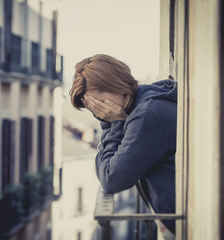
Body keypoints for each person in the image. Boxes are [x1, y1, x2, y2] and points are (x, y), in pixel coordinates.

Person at [69, 54, 177, 236]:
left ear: (116, 85)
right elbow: (105, 170)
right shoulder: (142, 105)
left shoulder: (147, 114)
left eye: (101, 103)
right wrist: (110, 122)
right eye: (94, 110)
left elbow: (111, 180)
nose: (100, 112)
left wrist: (114, 124)